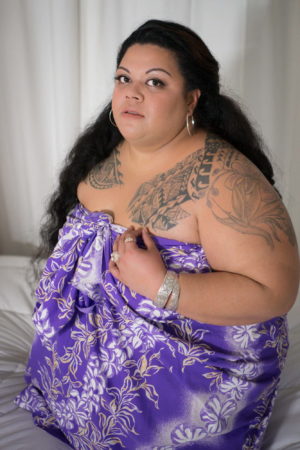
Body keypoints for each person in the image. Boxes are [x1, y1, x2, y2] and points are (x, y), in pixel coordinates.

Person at [16, 19, 299, 449]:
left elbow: (275, 292)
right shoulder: (104, 150)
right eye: (124, 78)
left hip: (186, 380)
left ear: (192, 99)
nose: (132, 91)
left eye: (155, 82)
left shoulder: (224, 180)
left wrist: (160, 285)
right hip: (88, 368)